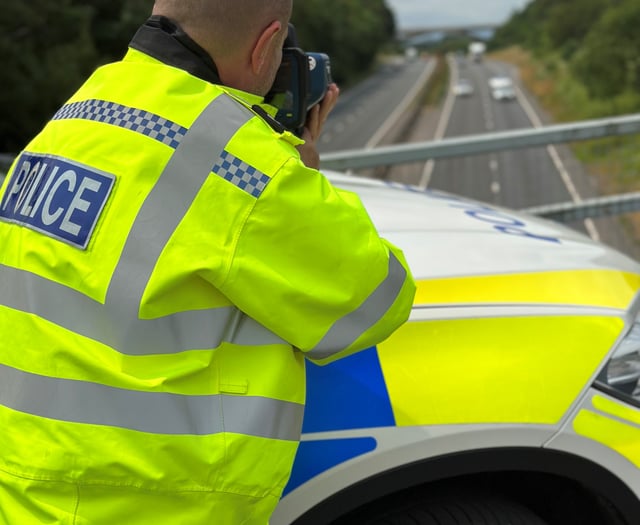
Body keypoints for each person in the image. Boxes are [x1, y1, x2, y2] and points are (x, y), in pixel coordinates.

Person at [0, 1, 416, 523]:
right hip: (151, 505)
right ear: (268, 45)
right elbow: (376, 299)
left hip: (27, 492)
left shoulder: (82, 110)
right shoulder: (242, 165)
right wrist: (299, 172)